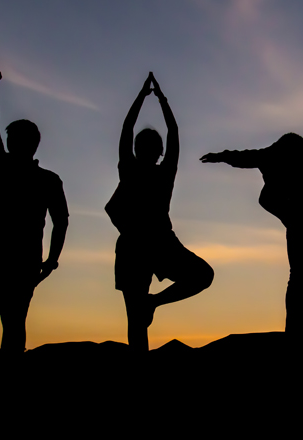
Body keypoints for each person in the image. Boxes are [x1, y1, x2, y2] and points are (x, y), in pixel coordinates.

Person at [0, 55, 69, 352]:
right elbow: (61, 222)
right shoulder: (27, 174)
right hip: (7, 259)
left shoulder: (7, 168)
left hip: (8, 260)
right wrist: (51, 260)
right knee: (5, 325)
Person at [201, 133, 303, 335]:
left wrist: (221, 156)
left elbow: (245, 157)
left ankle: (296, 331)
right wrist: (221, 156)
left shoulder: (284, 156)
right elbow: (244, 158)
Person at [105, 73, 214, 352]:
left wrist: (143, 96)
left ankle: (153, 302)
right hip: (144, 245)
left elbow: (127, 129)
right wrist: (160, 99)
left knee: (139, 316)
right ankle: (152, 304)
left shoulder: (142, 170)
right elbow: (170, 133)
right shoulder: (148, 171)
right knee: (139, 317)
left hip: (154, 243)